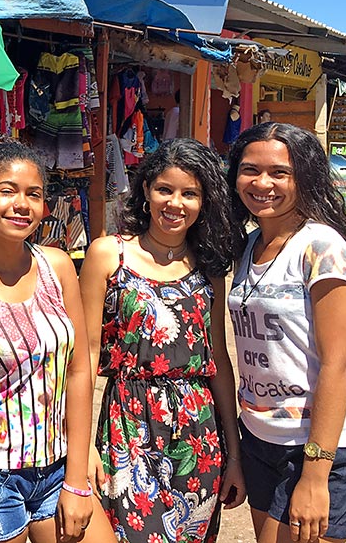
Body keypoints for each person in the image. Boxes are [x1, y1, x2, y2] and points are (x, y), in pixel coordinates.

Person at [0, 136, 114, 543]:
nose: (21, 204)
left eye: (34, 194)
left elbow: (80, 371)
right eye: (7, 191)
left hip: (58, 465)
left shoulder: (58, 266)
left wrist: (78, 476)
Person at [80, 138, 246, 543]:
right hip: (128, 426)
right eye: (164, 190)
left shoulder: (209, 269)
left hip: (199, 434)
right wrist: (81, 447)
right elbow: (82, 357)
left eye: (190, 193)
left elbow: (218, 361)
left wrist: (235, 456)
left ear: (204, 201)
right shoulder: (107, 255)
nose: (175, 204)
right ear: (145, 191)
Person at [226, 123, 346, 543]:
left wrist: (315, 473)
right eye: (249, 169)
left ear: (305, 177)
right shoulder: (249, 245)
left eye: (279, 172)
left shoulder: (322, 248)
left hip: (321, 448)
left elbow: (338, 363)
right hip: (260, 439)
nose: (262, 183)